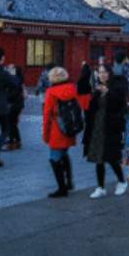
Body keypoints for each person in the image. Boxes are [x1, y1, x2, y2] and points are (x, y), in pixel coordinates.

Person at [80, 63, 129, 198]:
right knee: (97, 157)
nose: (102, 75)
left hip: (111, 126)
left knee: (112, 157)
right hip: (97, 127)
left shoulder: (117, 87)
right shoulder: (97, 89)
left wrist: (108, 92)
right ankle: (100, 187)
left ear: (110, 73)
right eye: (100, 72)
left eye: (105, 72)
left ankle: (121, 181)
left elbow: (121, 105)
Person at [41, 67, 78, 198]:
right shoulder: (72, 89)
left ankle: (62, 188)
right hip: (69, 129)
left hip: (57, 130)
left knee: (54, 158)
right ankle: (69, 182)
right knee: (64, 154)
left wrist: (45, 135)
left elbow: (46, 115)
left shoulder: (51, 92)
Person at [4, 64, 25, 151]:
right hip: (16, 104)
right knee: (12, 123)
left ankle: (12, 142)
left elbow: (13, 94)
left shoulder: (15, 79)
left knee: (10, 123)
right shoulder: (15, 79)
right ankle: (16, 141)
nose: (8, 68)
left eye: (11, 68)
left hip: (14, 104)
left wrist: (5, 97)